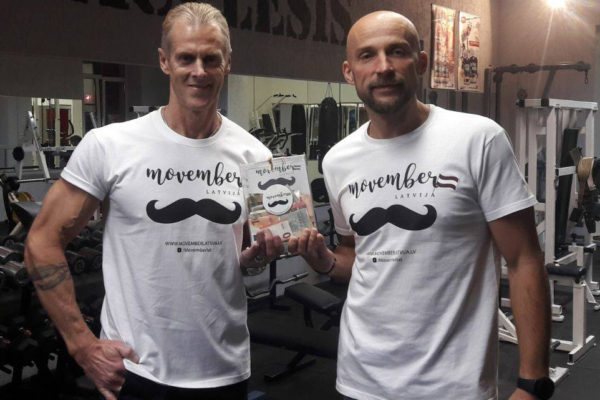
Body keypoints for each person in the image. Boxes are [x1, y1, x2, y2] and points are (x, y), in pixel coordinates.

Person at [289, 11, 552, 400]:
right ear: (349, 72)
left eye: (397, 52)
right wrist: (324, 260)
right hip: (361, 379)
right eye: (367, 55)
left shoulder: (478, 139)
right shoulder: (337, 161)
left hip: (454, 387)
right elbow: (355, 255)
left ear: (422, 63)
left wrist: (533, 383)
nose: (383, 67)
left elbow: (524, 258)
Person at [24, 3, 282, 400]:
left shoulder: (255, 157)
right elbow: (42, 242)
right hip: (135, 370)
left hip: (224, 371)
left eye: (211, 59)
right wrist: (82, 345)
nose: (199, 71)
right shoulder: (109, 145)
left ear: (227, 63)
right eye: (186, 58)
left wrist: (255, 258)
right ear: (164, 61)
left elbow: (249, 255)